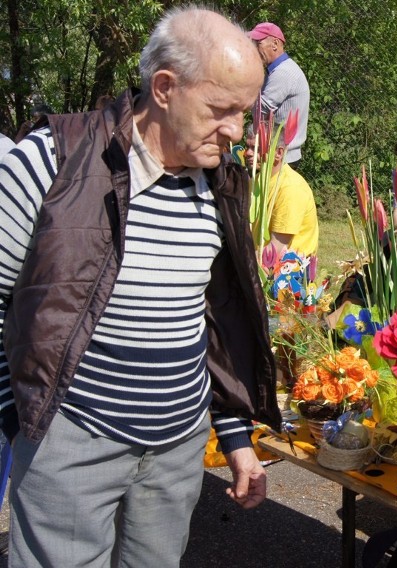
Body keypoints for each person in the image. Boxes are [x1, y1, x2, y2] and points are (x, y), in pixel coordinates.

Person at [0, 6, 280, 566]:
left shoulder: (220, 182)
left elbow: (215, 325)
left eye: (244, 114)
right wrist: (21, 420)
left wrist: (236, 439)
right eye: (221, 110)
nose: (236, 132)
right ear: (164, 88)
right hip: (71, 440)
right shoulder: (54, 160)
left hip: (176, 450)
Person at [245, 122, 319, 271]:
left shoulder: (290, 188)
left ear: (278, 153)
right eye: (247, 146)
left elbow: (276, 249)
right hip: (259, 264)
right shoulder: (258, 179)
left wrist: (239, 263)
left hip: (287, 277)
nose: (247, 153)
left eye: (256, 148)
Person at [248, 21, 310, 170]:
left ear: (275, 44)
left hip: (282, 158)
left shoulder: (283, 73)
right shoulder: (277, 71)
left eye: (258, 43)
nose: (253, 49)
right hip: (279, 154)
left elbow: (260, 111)